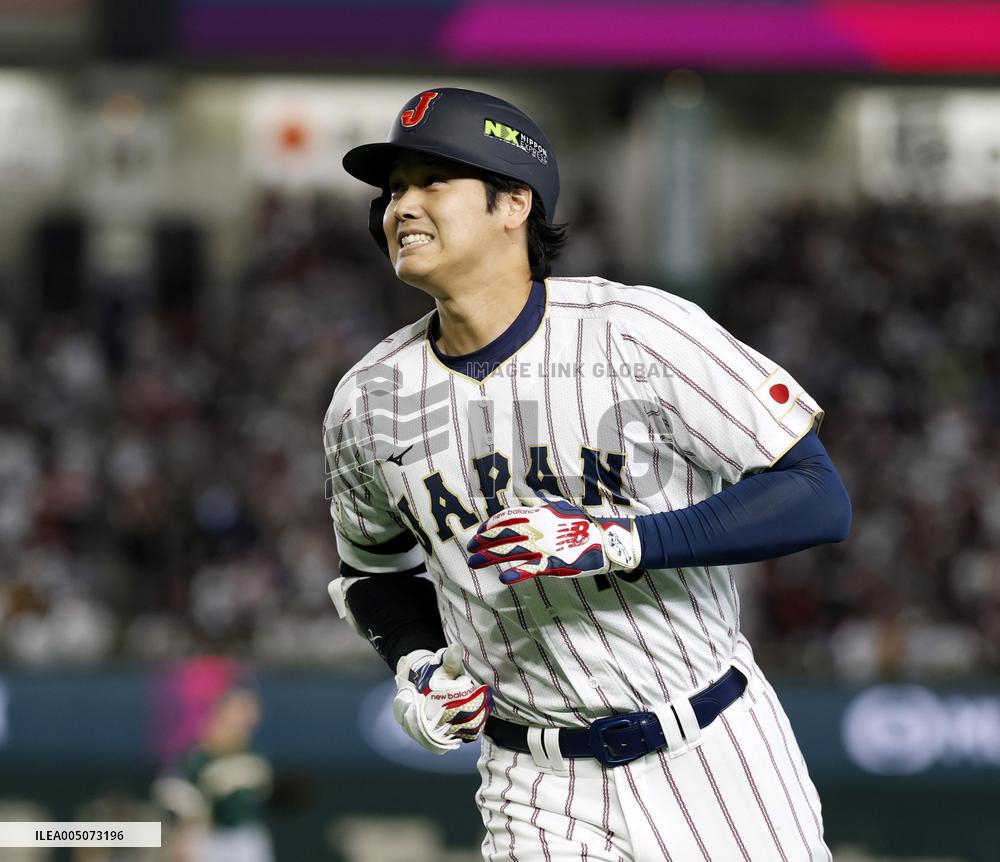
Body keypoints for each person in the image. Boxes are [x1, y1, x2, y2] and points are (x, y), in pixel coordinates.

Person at [325, 87, 851, 861]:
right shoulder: (366, 403)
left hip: (710, 749)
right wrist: (419, 660)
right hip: (533, 782)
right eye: (393, 189)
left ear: (514, 203)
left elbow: (816, 495)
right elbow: (373, 569)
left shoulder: (637, 332)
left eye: (431, 180)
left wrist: (615, 540)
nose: (400, 205)